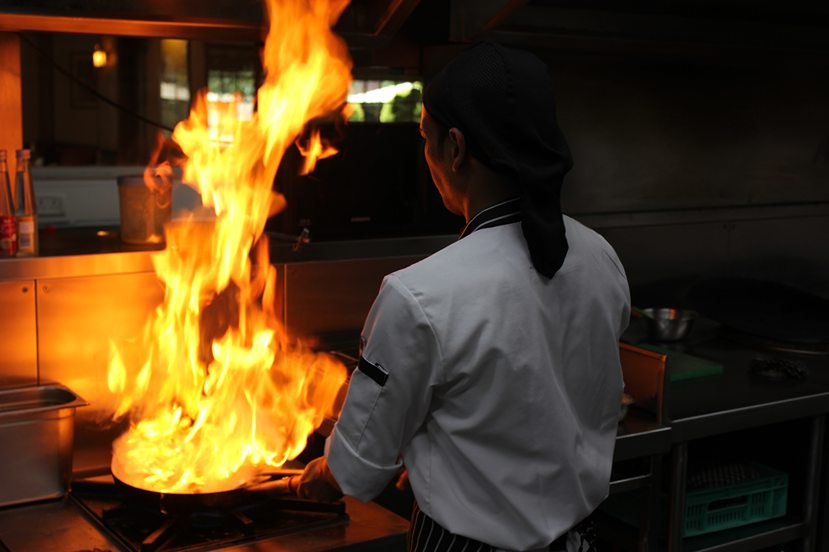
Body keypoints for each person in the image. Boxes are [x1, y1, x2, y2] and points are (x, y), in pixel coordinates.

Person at [291, 41, 631, 552]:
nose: (425, 158)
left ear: (455, 148)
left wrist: (305, 480)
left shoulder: (418, 295)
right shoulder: (600, 257)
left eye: (424, 138)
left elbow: (355, 472)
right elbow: (529, 403)